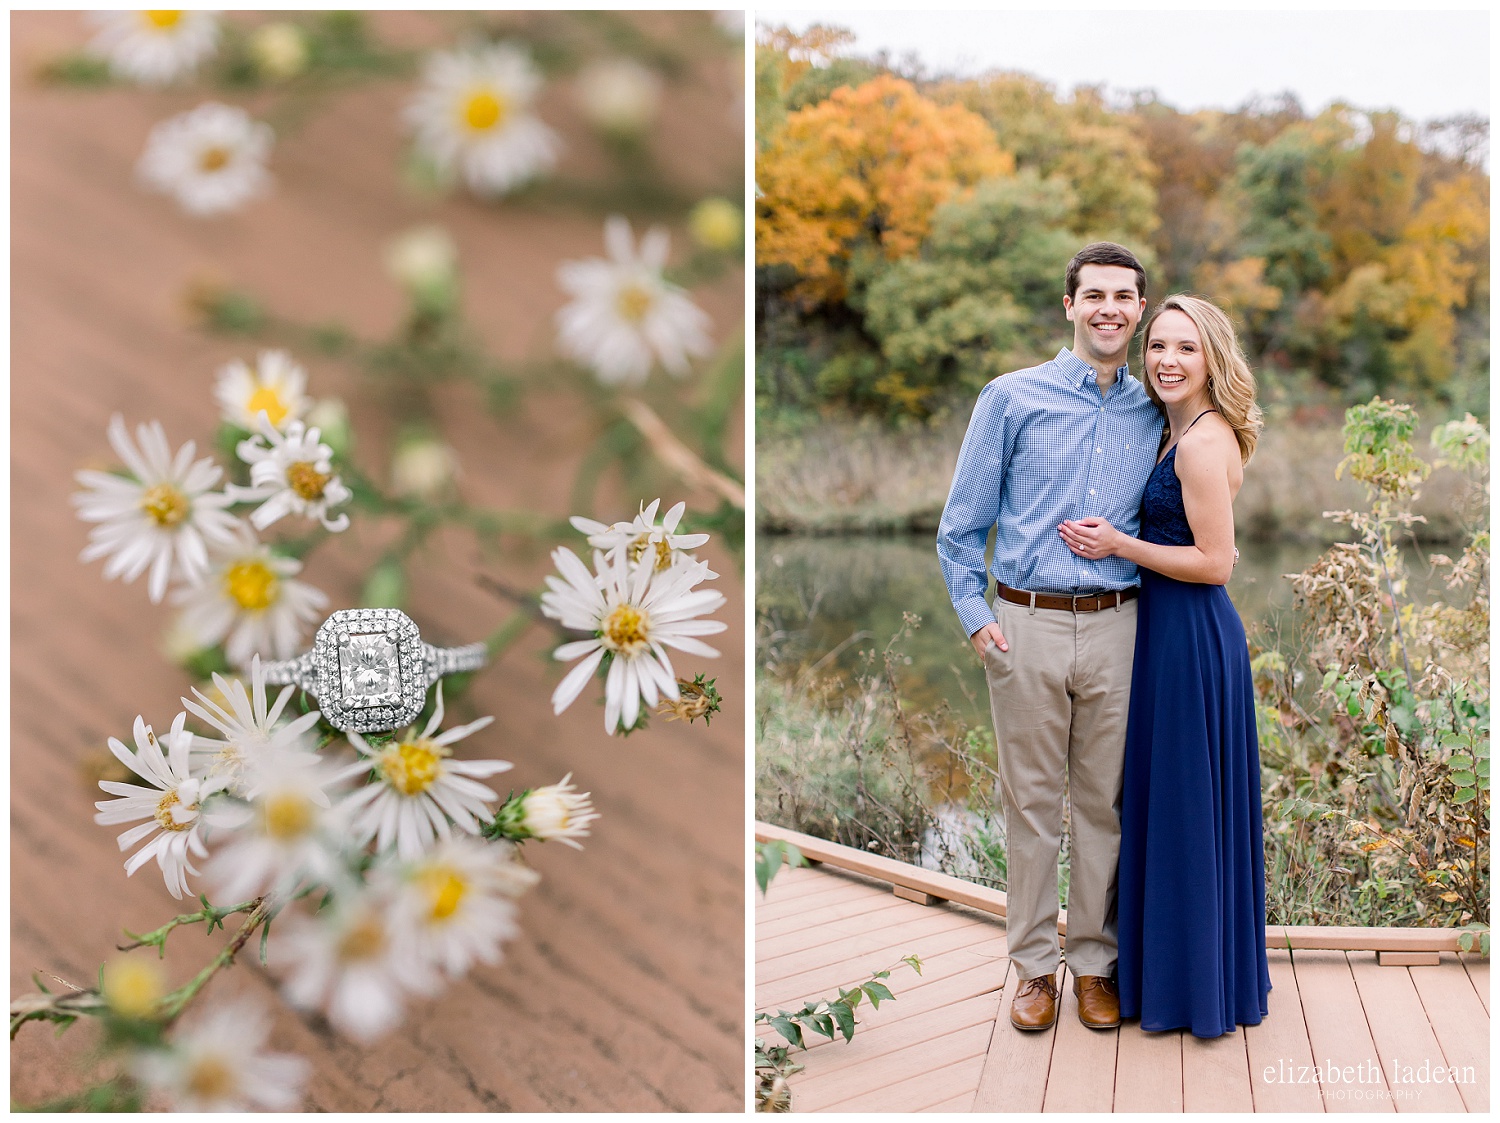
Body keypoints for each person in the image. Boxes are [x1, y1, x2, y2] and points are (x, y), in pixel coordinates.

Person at [937, 243, 1164, 1032]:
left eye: (1124, 296)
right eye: (1094, 293)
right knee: (1031, 806)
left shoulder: (1153, 410)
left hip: (1119, 627)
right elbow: (959, 529)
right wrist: (978, 622)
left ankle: (1094, 965)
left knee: (1104, 806)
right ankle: (1034, 969)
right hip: (1024, 624)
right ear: (1068, 304)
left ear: (1140, 310)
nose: (1109, 308)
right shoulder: (1010, 398)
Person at [1057, 293, 1271, 1037]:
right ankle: (1171, 974)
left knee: (1183, 807)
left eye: (1185, 347)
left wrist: (1121, 544)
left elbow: (1216, 564)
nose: (1167, 359)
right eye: (1158, 347)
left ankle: (1191, 992)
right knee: (1167, 804)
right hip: (1162, 634)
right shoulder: (1169, 430)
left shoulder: (1204, 442)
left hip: (1190, 641)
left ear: (1212, 357)